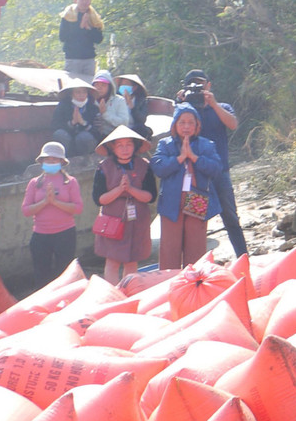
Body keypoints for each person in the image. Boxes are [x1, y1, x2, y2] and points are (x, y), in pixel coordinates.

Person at [177, 69, 245, 259]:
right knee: (197, 221)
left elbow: (233, 124)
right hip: (196, 176)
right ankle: (196, 263)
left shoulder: (221, 107)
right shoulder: (185, 111)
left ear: (209, 85)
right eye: (193, 85)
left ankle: (243, 257)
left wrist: (213, 104)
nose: (198, 89)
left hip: (220, 173)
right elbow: (174, 133)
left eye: (201, 84)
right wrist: (180, 105)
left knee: (231, 217)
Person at [150, 103, 223, 269]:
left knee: (196, 250)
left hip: (197, 199)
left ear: (197, 125)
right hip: (171, 201)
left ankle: (196, 284)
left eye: (191, 123)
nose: (186, 127)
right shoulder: (165, 144)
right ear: (175, 124)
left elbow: (216, 168)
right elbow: (158, 167)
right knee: (169, 249)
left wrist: (194, 157)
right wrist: (180, 158)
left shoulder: (206, 145)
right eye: (182, 122)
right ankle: (170, 285)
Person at [93, 126, 157, 284]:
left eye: (128, 144)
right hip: (113, 219)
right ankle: (111, 294)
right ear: (112, 147)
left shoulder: (144, 165)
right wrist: (119, 190)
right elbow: (99, 199)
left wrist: (131, 190)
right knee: (112, 261)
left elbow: (150, 196)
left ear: (135, 146)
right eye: (120, 145)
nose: (125, 149)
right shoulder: (103, 167)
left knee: (132, 260)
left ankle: (129, 291)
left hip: (137, 219)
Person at [21, 141, 84, 288]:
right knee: (41, 275)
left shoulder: (70, 182)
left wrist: (55, 202)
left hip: (65, 234)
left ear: (61, 162)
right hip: (40, 235)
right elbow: (26, 210)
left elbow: (78, 208)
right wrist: (45, 202)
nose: (51, 162)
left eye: (54, 160)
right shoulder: (34, 183)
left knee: (65, 274)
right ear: (42, 161)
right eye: (47, 159)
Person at [58, 0, 103, 80]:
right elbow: (62, 37)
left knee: (88, 87)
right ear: (76, 0)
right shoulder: (68, 16)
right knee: (73, 87)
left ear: (90, 1)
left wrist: (89, 28)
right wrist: (80, 27)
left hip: (89, 58)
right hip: (73, 58)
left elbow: (99, 39)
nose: (84, 2)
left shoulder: (94, 17)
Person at [51, 80, 102, 156]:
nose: (81, 95)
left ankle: (85, 161)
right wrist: (72, 123)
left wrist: (83, 123)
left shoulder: (93, 108)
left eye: (84, 92)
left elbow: (97, 131)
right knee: (60, 134)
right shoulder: (62, 106)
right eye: (78, 92)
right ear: (71, 94)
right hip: (68, 141)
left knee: (85, 137)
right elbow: (55, 125)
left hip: (85, 144)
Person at [115, 73, 153, 140]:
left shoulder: (141, 100)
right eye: (122, 84)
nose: (123, 87)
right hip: (119, 127)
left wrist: (131, 105)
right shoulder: (116, 99)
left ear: (134, 87)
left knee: (142, 129)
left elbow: (142, 119)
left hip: (134, 128)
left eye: (126, 84)